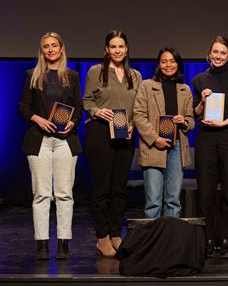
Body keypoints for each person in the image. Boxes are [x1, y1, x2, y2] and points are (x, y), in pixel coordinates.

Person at [19, 32, 82, 260]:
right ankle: (42, 245)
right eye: (46, 46)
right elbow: (24, 106)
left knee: (64, 194)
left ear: (61, 48)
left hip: (65, 140)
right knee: (41, 194)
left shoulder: (72, 76)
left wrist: (72, 122)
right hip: (39, 141)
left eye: (54, 45)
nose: (50, 50)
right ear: (42, 50)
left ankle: (64, 243)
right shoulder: (32, 75)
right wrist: (38, 119)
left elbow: (78, 106)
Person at [83, 30, 142, 257]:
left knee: (119, 187)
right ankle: (102, 236)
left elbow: (139, 107)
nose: (117, 50)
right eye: (113, 47)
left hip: (125, 133)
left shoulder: (135, 75)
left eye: (121, 46)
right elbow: (87, 101)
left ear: (126, 49)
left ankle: (116, 232)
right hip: (99, 132)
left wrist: (133, 125)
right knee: (102, 187)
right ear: (106, 49)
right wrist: (99, 112)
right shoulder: (96, 71)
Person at [191, 35, 228, 258]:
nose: (218, 56)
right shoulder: (199, 80)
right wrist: (203, 102)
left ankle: (226, 238)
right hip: (206, 138)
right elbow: (194, 114)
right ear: (209, 53)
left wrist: (225, 122)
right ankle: (206, 238)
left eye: (223, 53)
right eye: (215, 52)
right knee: (205, 190)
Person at [133, 47, 194, 218]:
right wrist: (155, 138)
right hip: (153, 147)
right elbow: (139, 116)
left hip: (177, 147)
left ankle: (170, 243)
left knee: (173, 200)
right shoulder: (146, 86)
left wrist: (184, 122)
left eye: (172, 61)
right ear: (159, 65)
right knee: (153, 202)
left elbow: (191, 120)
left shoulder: (185, 90)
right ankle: (153, 243)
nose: (168, 65)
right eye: (164, 61)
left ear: (178, 64)